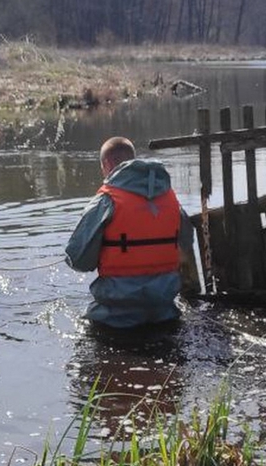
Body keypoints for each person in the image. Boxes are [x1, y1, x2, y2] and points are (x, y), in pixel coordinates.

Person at [65, 136, 194, 328]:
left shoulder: (106, 201)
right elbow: (186, 243)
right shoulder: (171, 200)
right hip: (164, 312)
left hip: (115, 318)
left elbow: (79, 260)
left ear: (107, 164)